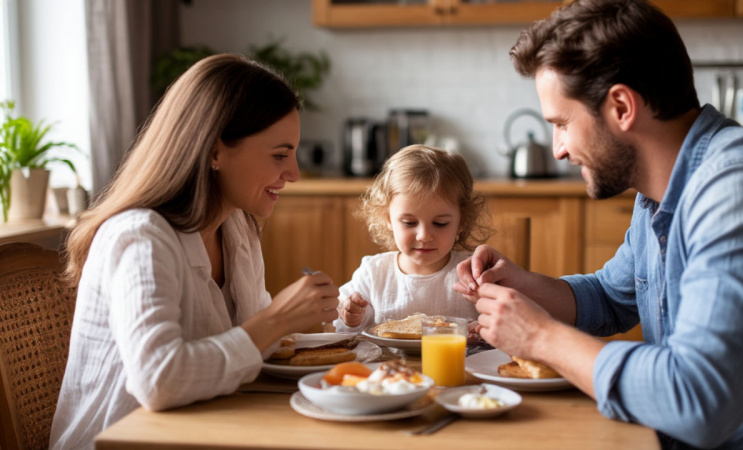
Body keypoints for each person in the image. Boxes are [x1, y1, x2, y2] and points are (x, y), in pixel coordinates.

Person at [455, 1, 743, 448]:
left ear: (621, 106)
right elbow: (608, 297)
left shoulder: (741, 193)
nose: (558, 149)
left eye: (562, 124)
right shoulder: (658, 191)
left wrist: (540, 336)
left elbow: (697, 401)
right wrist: (524, 285)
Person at [51, 54, 340, 449]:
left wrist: (334, 340)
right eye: (279, 154)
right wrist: (276, 319)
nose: (294, 173)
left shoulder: (238, 228)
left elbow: (251, 346)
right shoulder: (141, 237)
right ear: (215, 151)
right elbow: (159, 381)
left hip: (207, 429)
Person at [334, 145, 493, 333]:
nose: (424, 236)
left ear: (461, 222)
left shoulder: (473, 273)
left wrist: (484, 329)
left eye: (440, 223)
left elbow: (499, 324)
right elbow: (341, 325)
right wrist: (349, 316)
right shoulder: (373, 273)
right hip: (385, 363)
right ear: (388, 219)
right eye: (409, 223)